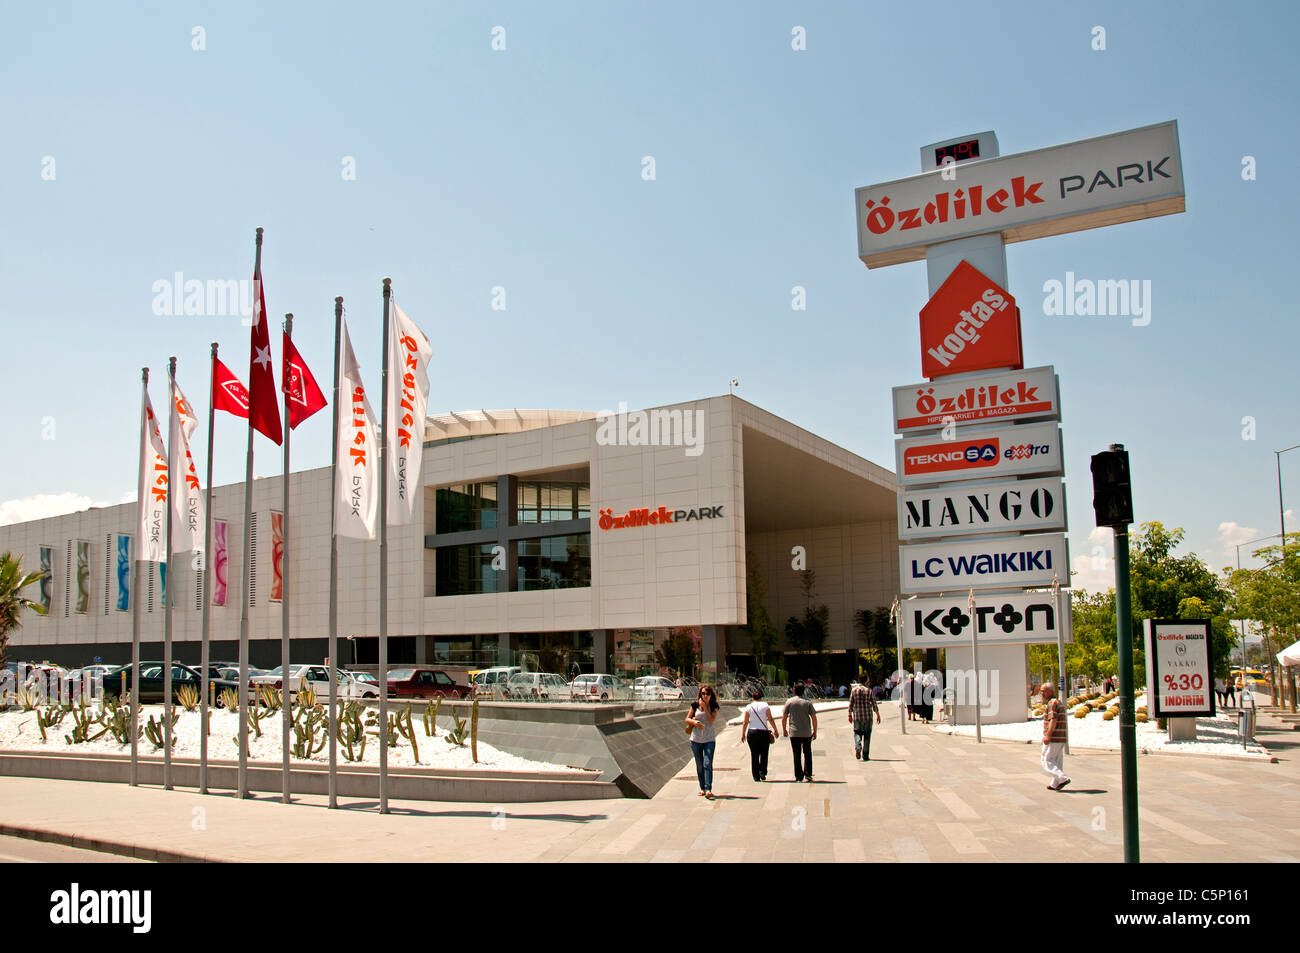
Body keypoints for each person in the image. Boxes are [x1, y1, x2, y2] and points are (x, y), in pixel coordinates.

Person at [686, 685, 720, 799]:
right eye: (703, 693)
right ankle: (702, 788)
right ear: (700, 694)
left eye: (707, 694)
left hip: (709, 739)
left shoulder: (714, 706)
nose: (705, 696)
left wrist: (705, 708)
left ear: (711, 695)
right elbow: (687, 718)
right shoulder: (694, 705)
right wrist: (694, 722)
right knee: (699, 765)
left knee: (707, 763)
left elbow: (711, 720)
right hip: (695, 739)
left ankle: (708, 788)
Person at [782, 683, 818, 782]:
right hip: (806, 733)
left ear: (794, 691)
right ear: (804, 691)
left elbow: (784, 716)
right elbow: (814, 718)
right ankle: (808, 774)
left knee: (796, 754)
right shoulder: (808, 702)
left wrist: (784, 729)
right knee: (807, 753)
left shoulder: (789, 702)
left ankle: (798, 776)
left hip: (794, 733)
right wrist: (815, 731)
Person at [1039, 682, 1071, 791]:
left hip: (1054, 737)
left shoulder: (1052, 703)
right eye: (1041, 691)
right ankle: (1055, 783)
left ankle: (1062, 778)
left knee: (1046, 760)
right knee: (1057, 760)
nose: (1041, 693)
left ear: (1051, 691)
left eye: (1044, 691)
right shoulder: (1058, 702)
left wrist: (1048, 736)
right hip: (1061, 737)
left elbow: (1053, 720)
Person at [740, 689, 777, 781]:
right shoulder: (765, 705)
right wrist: (775, 729)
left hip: (752, 732)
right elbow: (770, 719)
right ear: (761, 698)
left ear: (752, 698)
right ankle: (762, 771)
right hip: (763, 732)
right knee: (764, 753)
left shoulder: (749, 707)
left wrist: (743, 734)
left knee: (754, 754)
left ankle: (755, 776)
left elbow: (745, 722)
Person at [848, 678, 881, 760]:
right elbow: (874, 703)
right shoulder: (869, 690)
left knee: (857, 732)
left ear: (859, 680)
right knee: (867, 735)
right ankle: (865, 755)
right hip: (868, 716)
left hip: (858, 716)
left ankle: (858, 746)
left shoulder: (854, 690)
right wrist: (878, 714)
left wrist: (849, 715)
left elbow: (851, 704)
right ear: (866, 681)